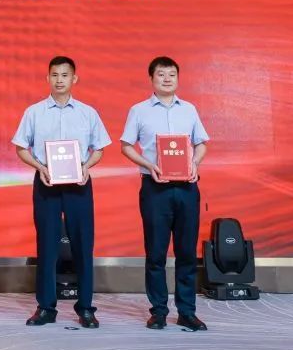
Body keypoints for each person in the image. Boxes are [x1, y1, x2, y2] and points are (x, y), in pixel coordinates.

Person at [12, 56, 110, 329]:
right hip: (46, 182)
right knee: (46, 245)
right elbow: (21, 147)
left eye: (65, 75)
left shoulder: (88, 113)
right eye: (54, 75)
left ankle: (86, 308)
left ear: (74, 79)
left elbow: (99, 148)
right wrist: (40, 167)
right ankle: (46, 307)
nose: (59, 80)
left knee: (83, 244)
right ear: (48, 78)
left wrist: (87, 167)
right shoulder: (34, 112)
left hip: (79, 184)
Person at [120, 56, 210, 331]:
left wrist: (195, 163)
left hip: (187, 188)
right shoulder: (139, 111)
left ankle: (187, 312)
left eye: (172, 74)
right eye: (161, 74)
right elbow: (126, 146)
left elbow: (201, 143)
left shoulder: (189, 110)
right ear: (152, 79)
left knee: (186, 252)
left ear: (178, 78)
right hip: (155, 188)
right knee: (156, 252)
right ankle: (158, 311)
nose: (167, 79)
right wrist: (148, 164)